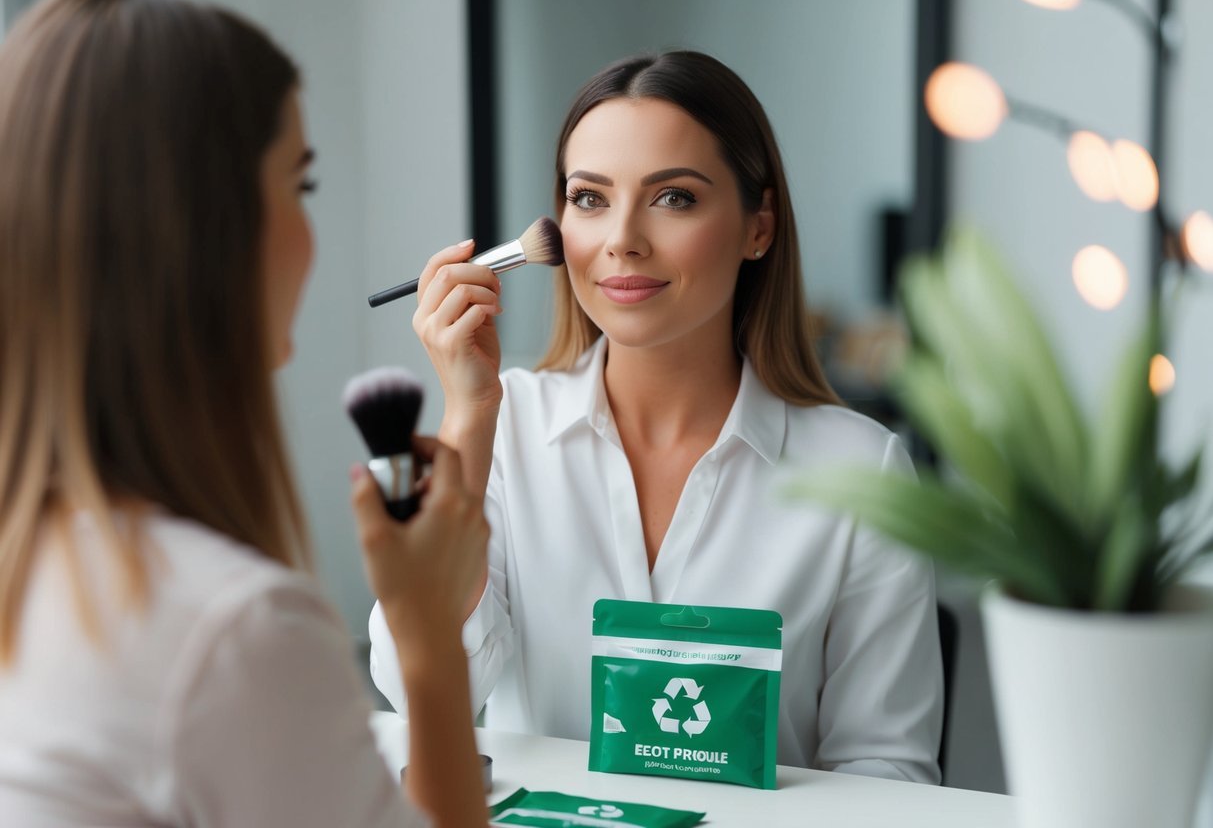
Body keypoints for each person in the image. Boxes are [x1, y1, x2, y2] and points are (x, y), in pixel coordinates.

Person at [370, 50, 944, 783]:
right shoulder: (501, 433)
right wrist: (468, 419)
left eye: (673, 197)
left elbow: (888, 776)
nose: (622, 239)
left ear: (757, 226)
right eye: (589, 198)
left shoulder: (863, 474)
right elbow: (418, 692)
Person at [0, 0, 488, 825]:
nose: (311, 231)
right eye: (300, 183)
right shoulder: (232, 636)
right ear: (203, 232)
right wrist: (429, 633)